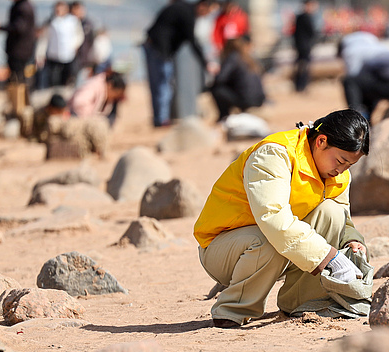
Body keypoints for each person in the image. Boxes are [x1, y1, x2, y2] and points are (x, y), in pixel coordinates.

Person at [193, 109, 370, 328]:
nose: (341, 170)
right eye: (340, 161)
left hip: (279, 249)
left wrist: (352, 241)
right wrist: (329, 257)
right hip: (223, 248)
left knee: (332, 212)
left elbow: (342, 214)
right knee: (268, 236)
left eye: (348, 166)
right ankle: (232, 310)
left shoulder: (337, 172)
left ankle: (301, 302)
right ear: (321, 141)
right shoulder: (274, 154)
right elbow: (273, 218)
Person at [143, 0, 209, 128]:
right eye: (208, 11)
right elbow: (192, 40)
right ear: (203, 6)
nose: (207, 15)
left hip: (158, 49)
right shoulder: (187, 13)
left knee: (162, 86)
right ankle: (161, 120)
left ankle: (161, 118)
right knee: (163, 85)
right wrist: (205, 63)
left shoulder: (183, 9)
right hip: (158, 51)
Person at [338, 31, 389, 121]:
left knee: (349, 81)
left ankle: (358, 117)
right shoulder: (378, 47)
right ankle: (366, 118)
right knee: (366, 85)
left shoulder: (351, 50)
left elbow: (352, 76)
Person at [0, 0, 36, 115]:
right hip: (20, 49)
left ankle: (19, 108)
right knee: (17, 79)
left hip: (20, 49)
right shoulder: (22, 6)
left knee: (17, 80)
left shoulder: (23, 7)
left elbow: (19, 27)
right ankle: (17, 107)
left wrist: (1, 27)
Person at [211, 36, 265, 121]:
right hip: (259, 100)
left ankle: (224, 116)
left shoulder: (233, 57)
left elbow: (220, 79)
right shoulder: (248, 58)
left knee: (216, 89)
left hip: (246, 101)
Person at [293, 0, 319, 92]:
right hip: (305, 46)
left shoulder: (299, 17)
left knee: (300, 65)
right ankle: (302, 86)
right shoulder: (306, 17)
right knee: (304, 66)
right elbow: (312, 32)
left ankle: (299, 85)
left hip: (300, 45)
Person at [70, 1, 95, 79]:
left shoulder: (88, 24)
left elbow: (92, 42)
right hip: (71, 59)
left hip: (85, 60)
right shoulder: (69, 24)